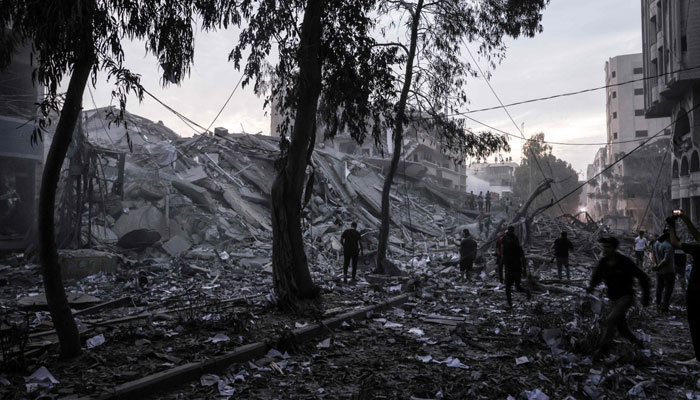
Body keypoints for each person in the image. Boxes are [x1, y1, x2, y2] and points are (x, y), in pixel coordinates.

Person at [587, 236, 650, 358]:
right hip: (613, 299)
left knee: (610, 320)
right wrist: (591, 287)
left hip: (626, 297)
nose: (605, 249)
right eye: (604, 247)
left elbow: (643, 277)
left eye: (608, 247)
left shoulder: (624, 262)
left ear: (614, 248)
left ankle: (603, 351)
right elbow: (596, 277)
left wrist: (645, 297)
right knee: (622, 328)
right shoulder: (604, 262)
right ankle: (637, 343)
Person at [668, 212, 700, 364]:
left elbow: (675, 243)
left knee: (694, 322)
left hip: (696, 291)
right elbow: (697, 235)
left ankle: (698, 358)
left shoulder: (698, 249)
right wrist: (686, 219)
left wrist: (671, 226)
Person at [501, 226, 531, 308]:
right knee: (514, 287)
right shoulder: (516, 248)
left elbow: (502, 260)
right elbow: (523, 258)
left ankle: (510, 303)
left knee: (510, 287)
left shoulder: (510, 249)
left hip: (513, 269)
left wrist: (524, 269)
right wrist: (524, 270)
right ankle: (510, 303)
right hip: (515, 269)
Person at [652, 231, 675, 312]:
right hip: (668, 271)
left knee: (659, 288)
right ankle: (664, 307)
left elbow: (652, 254)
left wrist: (655, 264)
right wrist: (658, 266)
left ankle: (658, 304)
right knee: (668, 290)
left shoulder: (656, 243)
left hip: (659, 272)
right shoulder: (668, 246)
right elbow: (665, 259)